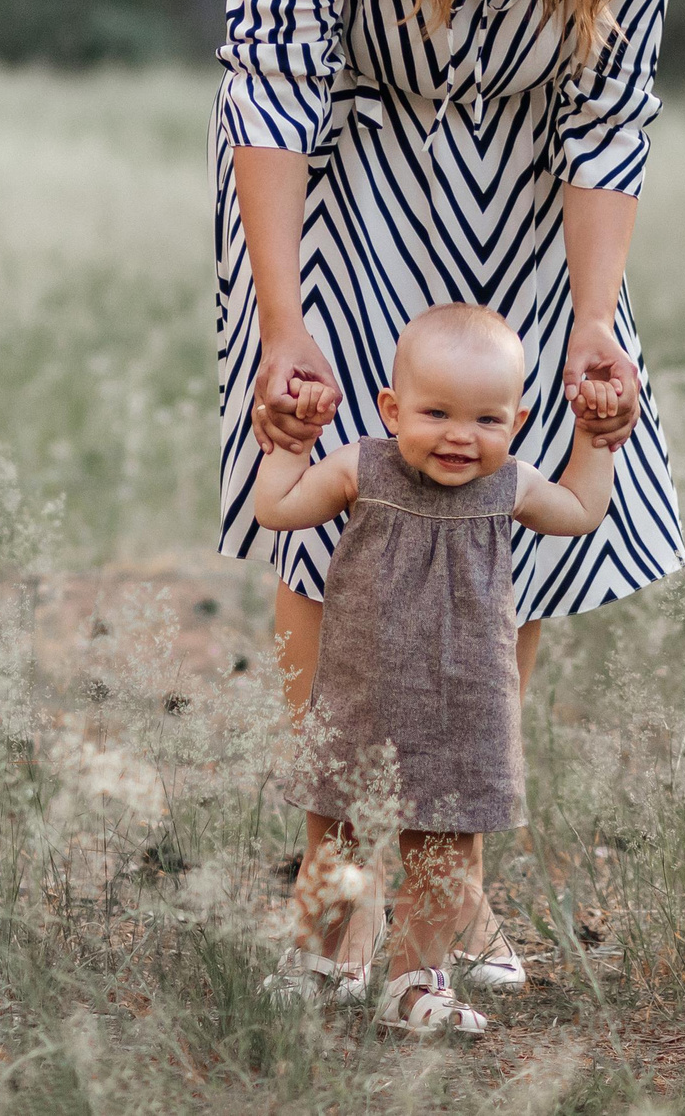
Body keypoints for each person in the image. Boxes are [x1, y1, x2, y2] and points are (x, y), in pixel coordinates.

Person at [210, 0, 685, 986]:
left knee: (501, 492)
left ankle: (448, 878)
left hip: (533, 184)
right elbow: (275, 70)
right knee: (347, 510)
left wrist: (597, 322)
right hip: (337, 174)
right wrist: (282, 311)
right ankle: (330, 879)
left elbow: (610, 107)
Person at [252, 305, 616, 1035]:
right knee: (341, 829)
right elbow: (277, 507)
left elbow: (579, 510)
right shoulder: (364, 466)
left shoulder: (510, 483)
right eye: (437, 412)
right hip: (366, 696)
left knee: (445, 856)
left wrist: (597, 438)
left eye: (486, 419)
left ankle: (414, 982)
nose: (460, 435)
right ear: (393, 408)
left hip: (464, 705)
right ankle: (319, 963)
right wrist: (294, 441)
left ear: (517, 419)